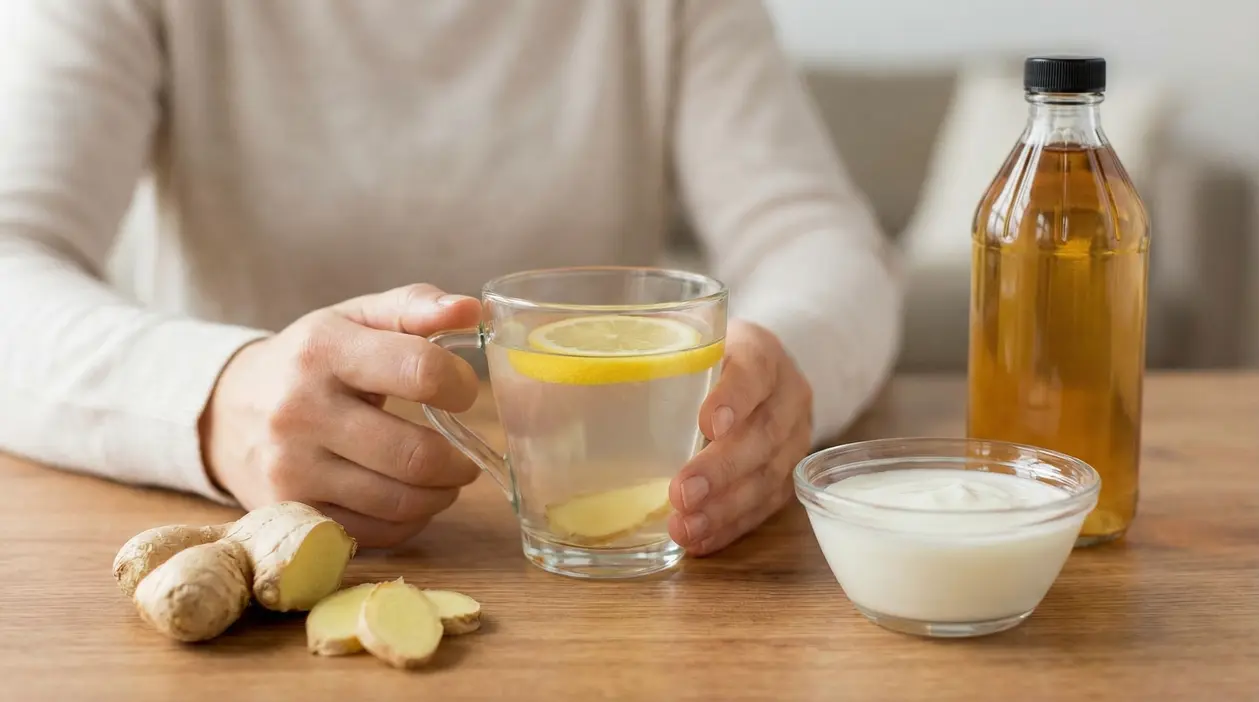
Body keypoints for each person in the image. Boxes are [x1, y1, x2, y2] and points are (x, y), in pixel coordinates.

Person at [0, 1, 900, 554]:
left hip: (608, 555)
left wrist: (782, 376)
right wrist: (212, 399)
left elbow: (818, 239)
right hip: (239, 540)